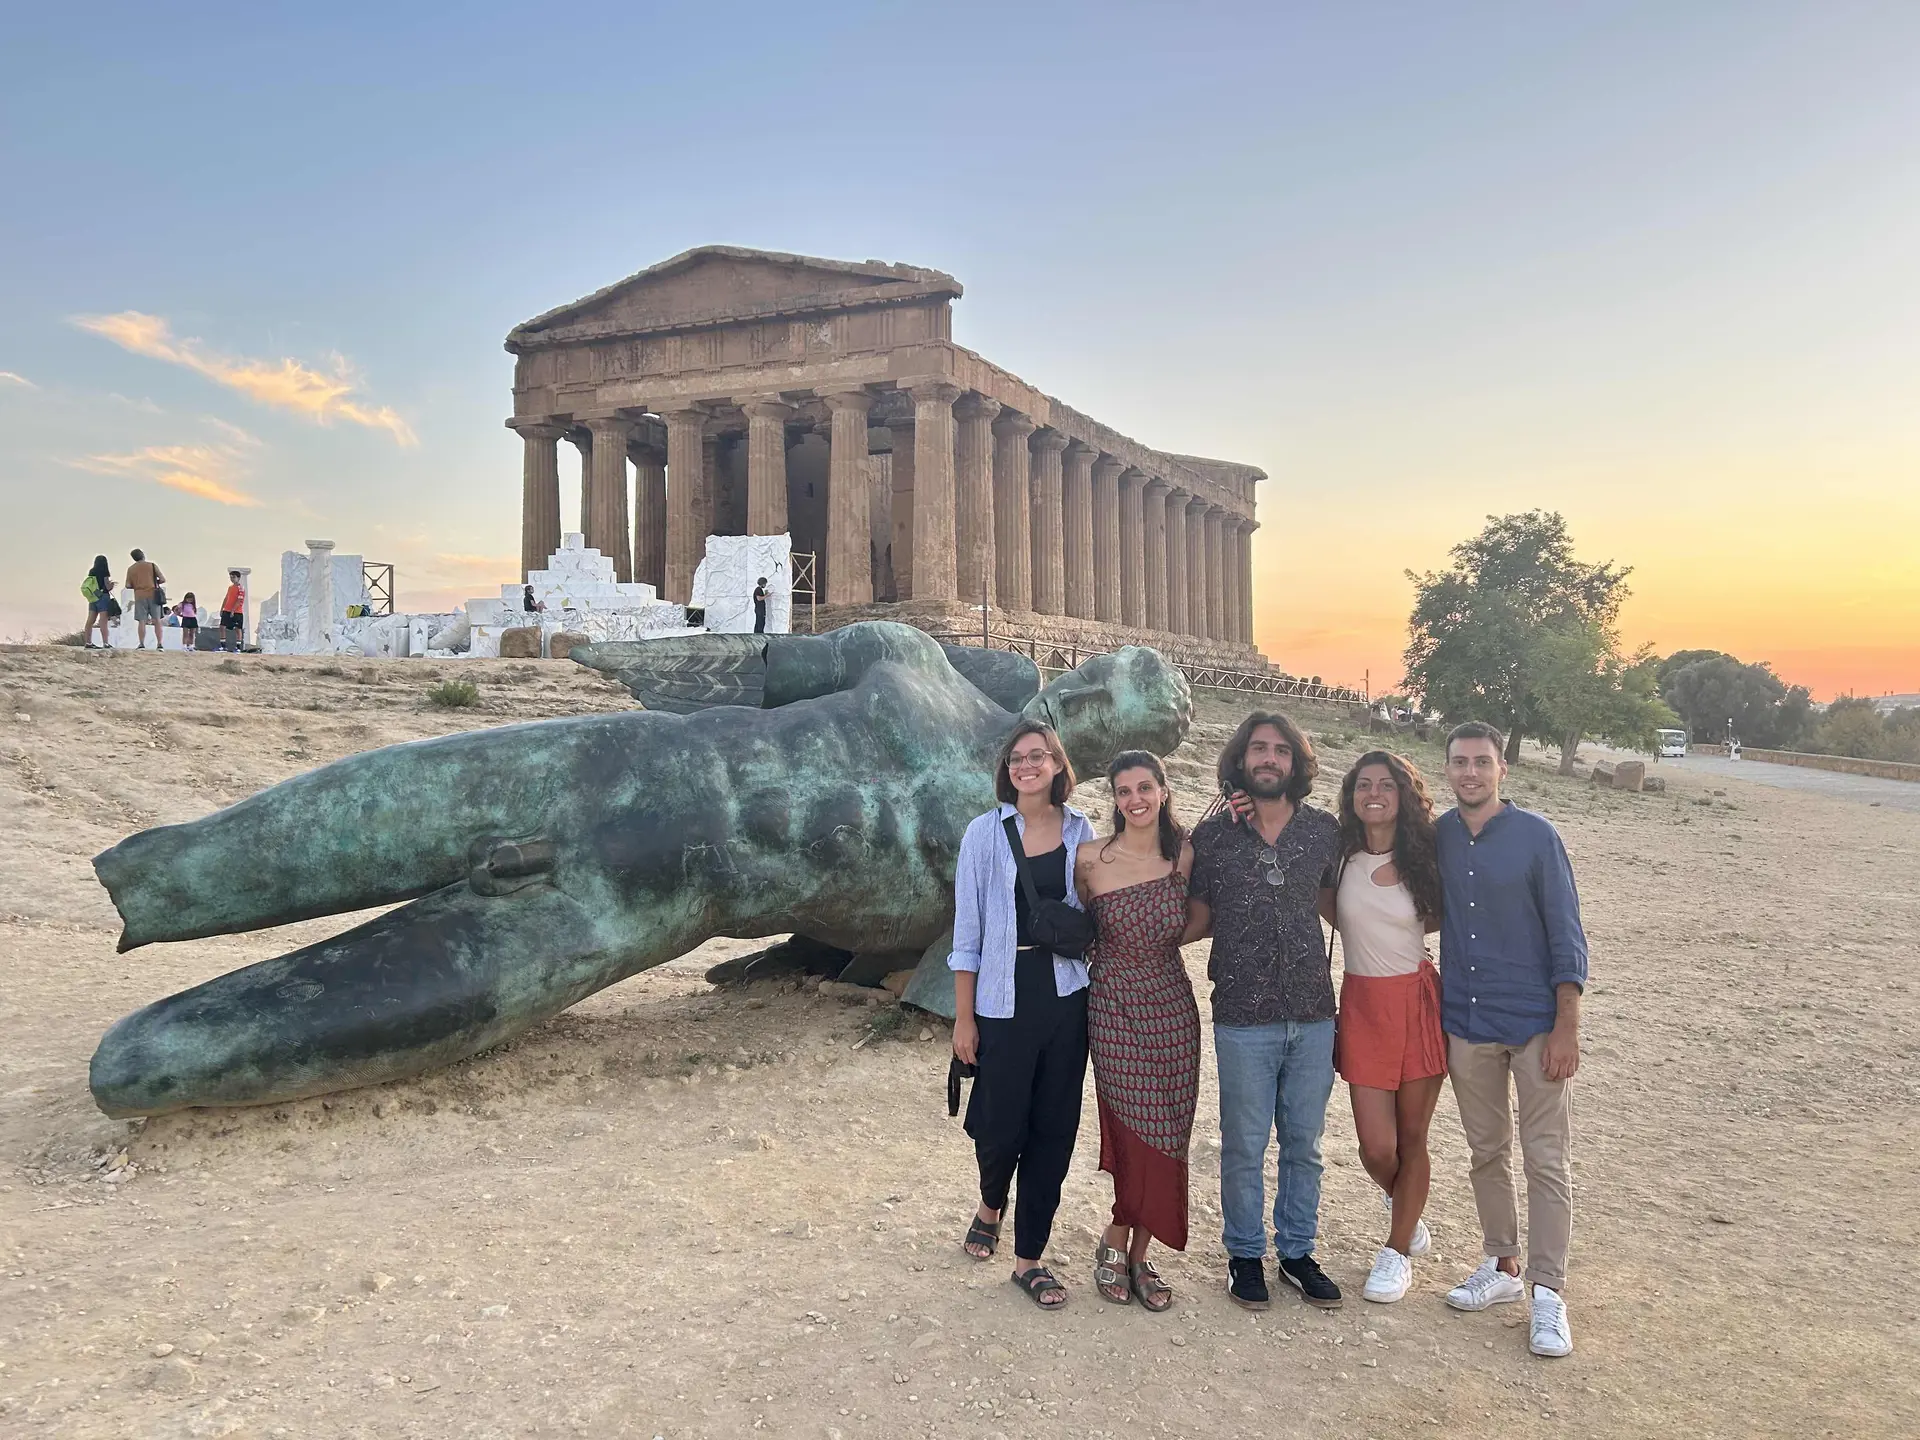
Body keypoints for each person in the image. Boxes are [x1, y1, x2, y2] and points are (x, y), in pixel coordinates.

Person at [1435, 720, 1587, 1358]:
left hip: (1534, 1024)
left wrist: (1567, 1026)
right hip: (1468, 1020)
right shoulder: (1439, 836)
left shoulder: (1536, 837)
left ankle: (1548, 1291)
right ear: (1447, 769)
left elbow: (1566, 932)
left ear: (1503, 769)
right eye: (1459, 762)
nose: (1470, 772)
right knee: (1486, 1151)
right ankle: (1502, 1264)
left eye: (1481, 762)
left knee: (1545, 1158)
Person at [1184, 712, 1344, 1310]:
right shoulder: (1213, 836)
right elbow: (1194, 915)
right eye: (1259, 749)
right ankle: (1245, 1255)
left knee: (1305, 1144)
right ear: (1242, 759)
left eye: (1281, 750)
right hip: (1242, 1016)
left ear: (1295, 762)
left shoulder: (1323, 831)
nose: (1269, 758)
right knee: (1243, 1145)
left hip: (1313, 1012)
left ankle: (1298, 1253)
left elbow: (1343, 904)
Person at [949, 719, 1095, 1309]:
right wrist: (963, 1018)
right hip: (1001, 999)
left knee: (1053, 1128)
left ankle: (1029, 1257)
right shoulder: (983, 833)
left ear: (1058, 764)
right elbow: (967, 933)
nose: (1026, 765)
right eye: (1016, 757)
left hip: (1066, 996)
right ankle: (991, 1202)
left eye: (1038, 755)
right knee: (999, 1124)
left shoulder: (1082, 831)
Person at [1075, 750, 1198, 1312]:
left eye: (1145, 787)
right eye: (1124, 791)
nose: (1135, 799)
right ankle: (1116, 1233)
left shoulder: (1185, 854)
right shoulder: (1090, 859)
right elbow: (1078, 927)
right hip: (1113, 1006)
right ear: (1115, 799)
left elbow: (1200, 918)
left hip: (1173, 1008)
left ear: (1163, 791)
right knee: (1132, 1131)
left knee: (1169, 1134)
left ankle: (1138, 1253)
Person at [1325, 751, 1447, 1304]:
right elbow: (1328, 906)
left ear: (1404, 795)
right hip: (1362, 1004)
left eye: (1386, 785)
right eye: (1364, 785)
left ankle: (1397, 1251)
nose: (1374, 794)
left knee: (1413, 1137)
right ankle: (1408, 1209)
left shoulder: (1425, 856)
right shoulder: (1339, 856)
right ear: (1352, 796)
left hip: (1416, 1002)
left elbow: (1443, 916)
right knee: (1376, 1148)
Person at [125, 549, 166, 650]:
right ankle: (159, 644)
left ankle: (141, 644)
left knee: (142, 621)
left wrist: (137, 584)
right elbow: (162, 579)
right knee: (157, 620)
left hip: (139, 595)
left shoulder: (131, 569)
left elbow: (128, 585)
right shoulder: (152, 565)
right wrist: (154, 581)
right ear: (143, 555)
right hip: (153, 594)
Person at [82, 554, 115, 649]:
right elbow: (107, 587)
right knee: (103, 621)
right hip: (103, 597)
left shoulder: (91, 572)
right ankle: (105, 643)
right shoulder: (104, 572)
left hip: (93, 597)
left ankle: (88, 642)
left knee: (90, 621)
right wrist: (112, 585)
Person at [218, 571, 246, 652]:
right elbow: (226, 598)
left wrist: (233, 610)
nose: (232, 579)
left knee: (237, 628)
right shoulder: (230, 587)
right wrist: (222, 608)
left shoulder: (241, 588)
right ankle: (223, 646)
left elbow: (239, 600)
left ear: (238, 578)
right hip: (227, 610)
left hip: (237, 611)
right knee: (222, 627)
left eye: (234, 577)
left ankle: (238, 647)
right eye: (231, 577)